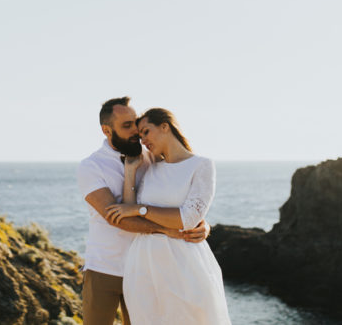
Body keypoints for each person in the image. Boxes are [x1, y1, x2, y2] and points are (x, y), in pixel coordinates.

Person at [77, 97, 210, 325]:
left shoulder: (151, 157)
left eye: (135, 124)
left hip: (146, 270)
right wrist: (165, 230)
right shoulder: (91, 166)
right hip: (105, 268)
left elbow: (178, 198)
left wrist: (202, 224)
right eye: (127, 126)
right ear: (107, 130)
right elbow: (116, 218)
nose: (136, 132)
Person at [105, 108, 231, 325]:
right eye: (140, 135)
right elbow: (128, 213)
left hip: (184, 261)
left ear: (165, 126)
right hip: (144, 264)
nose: (143, 140)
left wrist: (141, 209)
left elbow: (188, 219)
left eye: (146, 132)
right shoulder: (151, 167)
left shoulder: (201, 165)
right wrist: (130, 172)